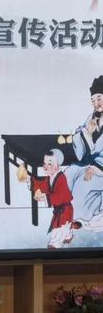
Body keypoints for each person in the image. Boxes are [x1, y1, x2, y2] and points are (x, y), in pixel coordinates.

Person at [65, 75, 103, 230]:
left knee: (84, 182)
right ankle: (67, 214)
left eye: (99, 98)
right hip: (91, 161)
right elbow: (82, 147)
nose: (96, 103)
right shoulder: (92, 118)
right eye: (93, 100)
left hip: (100, 166)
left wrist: (96, 167)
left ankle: (84, 217)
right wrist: (84, 133)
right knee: (69, 173)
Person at [31, 149, 74, 248]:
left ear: (57, 166)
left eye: (49, 164)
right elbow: (43, 184)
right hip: (60, 210)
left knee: (58, 231)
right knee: (64, 228)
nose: (45, 166)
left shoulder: (61, 178)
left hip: (65, 210)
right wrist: (30, 181)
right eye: (44, 163)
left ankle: (54, 245)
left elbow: (61, 196)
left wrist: (44, 197)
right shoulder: (51, 177)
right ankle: (68, 236)